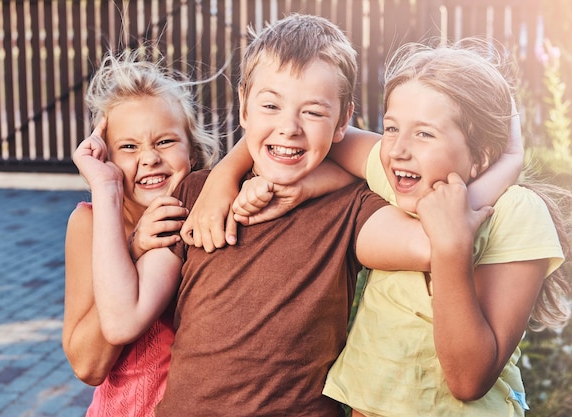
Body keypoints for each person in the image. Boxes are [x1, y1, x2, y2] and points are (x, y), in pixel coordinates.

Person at [89, 13, 449, 417]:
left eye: (313, 112)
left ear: (343, 119)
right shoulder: (196, 194)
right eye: (271, 105)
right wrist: (105, 189)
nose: (289, 127)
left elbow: (438, 237)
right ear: (244, 106)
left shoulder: (351, 208)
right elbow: (121, 322)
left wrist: (316, 184)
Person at [213, 39, 571, 416]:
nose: (397, 149)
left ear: (481, 156)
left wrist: (452, 247)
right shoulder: (398, 177)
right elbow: (312, 132)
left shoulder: (517, 212)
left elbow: (468, 381)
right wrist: (225, 176)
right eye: (391, 129)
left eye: (424, 134)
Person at [61, 48, 220, 417]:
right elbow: (87, 366)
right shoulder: (89, 224)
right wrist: (131, 248)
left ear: (192, 152)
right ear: (109, 160)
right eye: (129, 147)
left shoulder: (211, 215)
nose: (148, 158)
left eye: (164, 141)